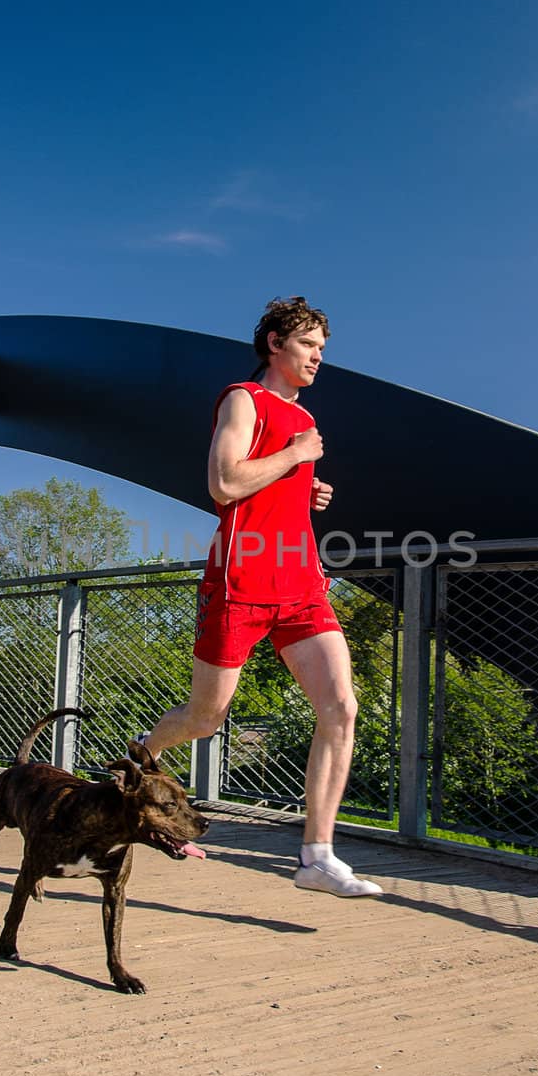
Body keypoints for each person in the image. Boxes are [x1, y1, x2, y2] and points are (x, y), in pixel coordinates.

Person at [139, 296, 382, 898]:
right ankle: (141, 751)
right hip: (241, 581)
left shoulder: (302, 421)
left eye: (322, 349)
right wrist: (296, 457)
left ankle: (317, 856)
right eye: (307, 345)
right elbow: (223, 484)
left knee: (341, 707)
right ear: (275, 343)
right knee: (207, 717)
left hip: (300, 584)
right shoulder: (244, 400)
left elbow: (264, 488)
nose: (317, 358)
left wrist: (305, 488)